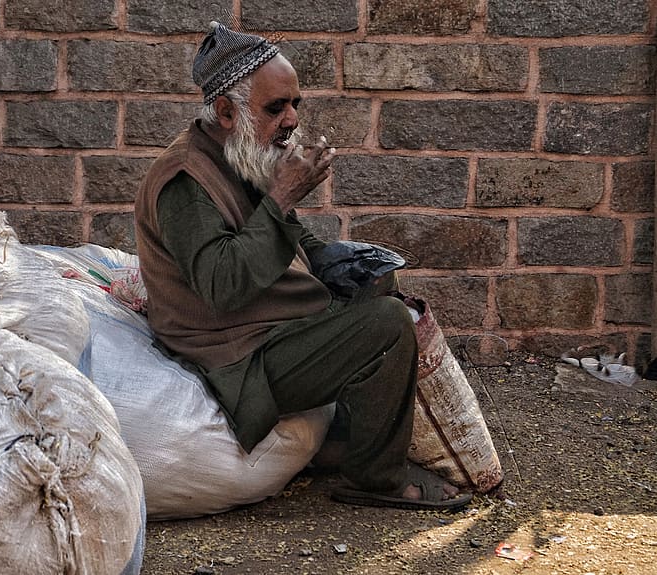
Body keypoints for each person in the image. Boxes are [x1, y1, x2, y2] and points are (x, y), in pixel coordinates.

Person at [134, 21, 472, 510]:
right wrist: (283, 195)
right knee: (387, 326)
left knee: (377, 288)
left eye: (296, 104)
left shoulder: (235, 151)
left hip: (265, 327)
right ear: (227, 112)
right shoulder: (184, 181)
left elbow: (281, 232)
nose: (291, 119)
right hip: (235, 358)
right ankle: (376, 480)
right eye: (276, 108)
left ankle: (344, 442)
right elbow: (222, 284)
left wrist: (338, 261)